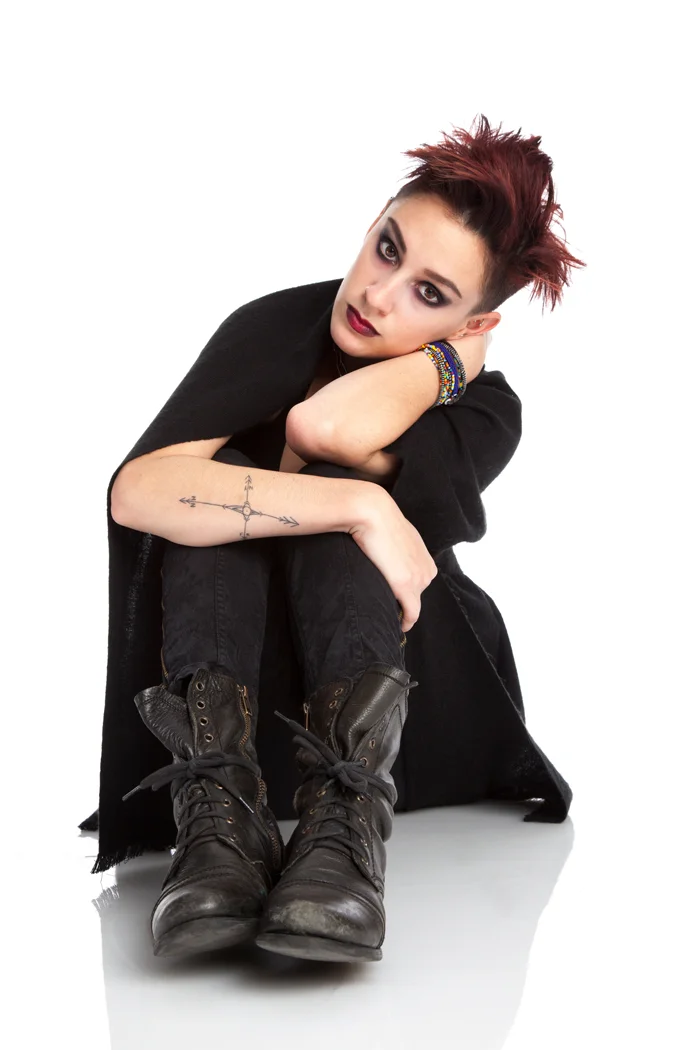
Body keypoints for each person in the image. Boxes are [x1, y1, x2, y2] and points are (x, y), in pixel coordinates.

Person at [80, 114, 585, 964]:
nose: (379, 296)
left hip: (411, 727)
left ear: (474, 326)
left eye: (431, 295)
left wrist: (443, 371)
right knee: (231, 485)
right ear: (372, 222)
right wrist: (362, 508)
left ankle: (346, 833)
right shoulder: (274, 328)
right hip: (245, 722)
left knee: (317, 488)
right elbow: (137, 491)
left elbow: (325, 428)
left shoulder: (486, 409)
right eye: (388, 249)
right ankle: (219, 824)